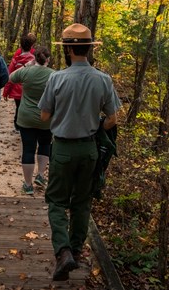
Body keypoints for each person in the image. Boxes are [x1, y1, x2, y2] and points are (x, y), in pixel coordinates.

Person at [38, 23, 122, 281]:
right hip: (89, 149)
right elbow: (113, 118)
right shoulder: (103, 79)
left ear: (68, 50)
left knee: (56, 201)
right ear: (87, 48)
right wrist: (95, 125)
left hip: (62, 147)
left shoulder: (57, 78)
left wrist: (62, 118)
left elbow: (44, 116)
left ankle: (63, 252)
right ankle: (75, 249)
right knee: (82, 202)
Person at [8, 46, 54, 195]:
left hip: (26, 117)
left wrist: (28, 65)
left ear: (35, 58)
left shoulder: (27, 71)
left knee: (28, 149)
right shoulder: (54, 75)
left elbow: (11, 77)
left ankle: (28, 184)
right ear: (48, 59)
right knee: (45, 145)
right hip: (46, 118)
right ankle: (40, 175)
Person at [2, 33, 36, 131]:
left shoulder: (16, 59)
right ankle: (25, 124)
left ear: (21, 46)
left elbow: (10, 76)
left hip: (17, 90)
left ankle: (18, 125)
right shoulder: (35, 59)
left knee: (19, 107)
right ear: (32, 45)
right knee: (28, 107)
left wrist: (6, 91)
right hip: (29, 89)